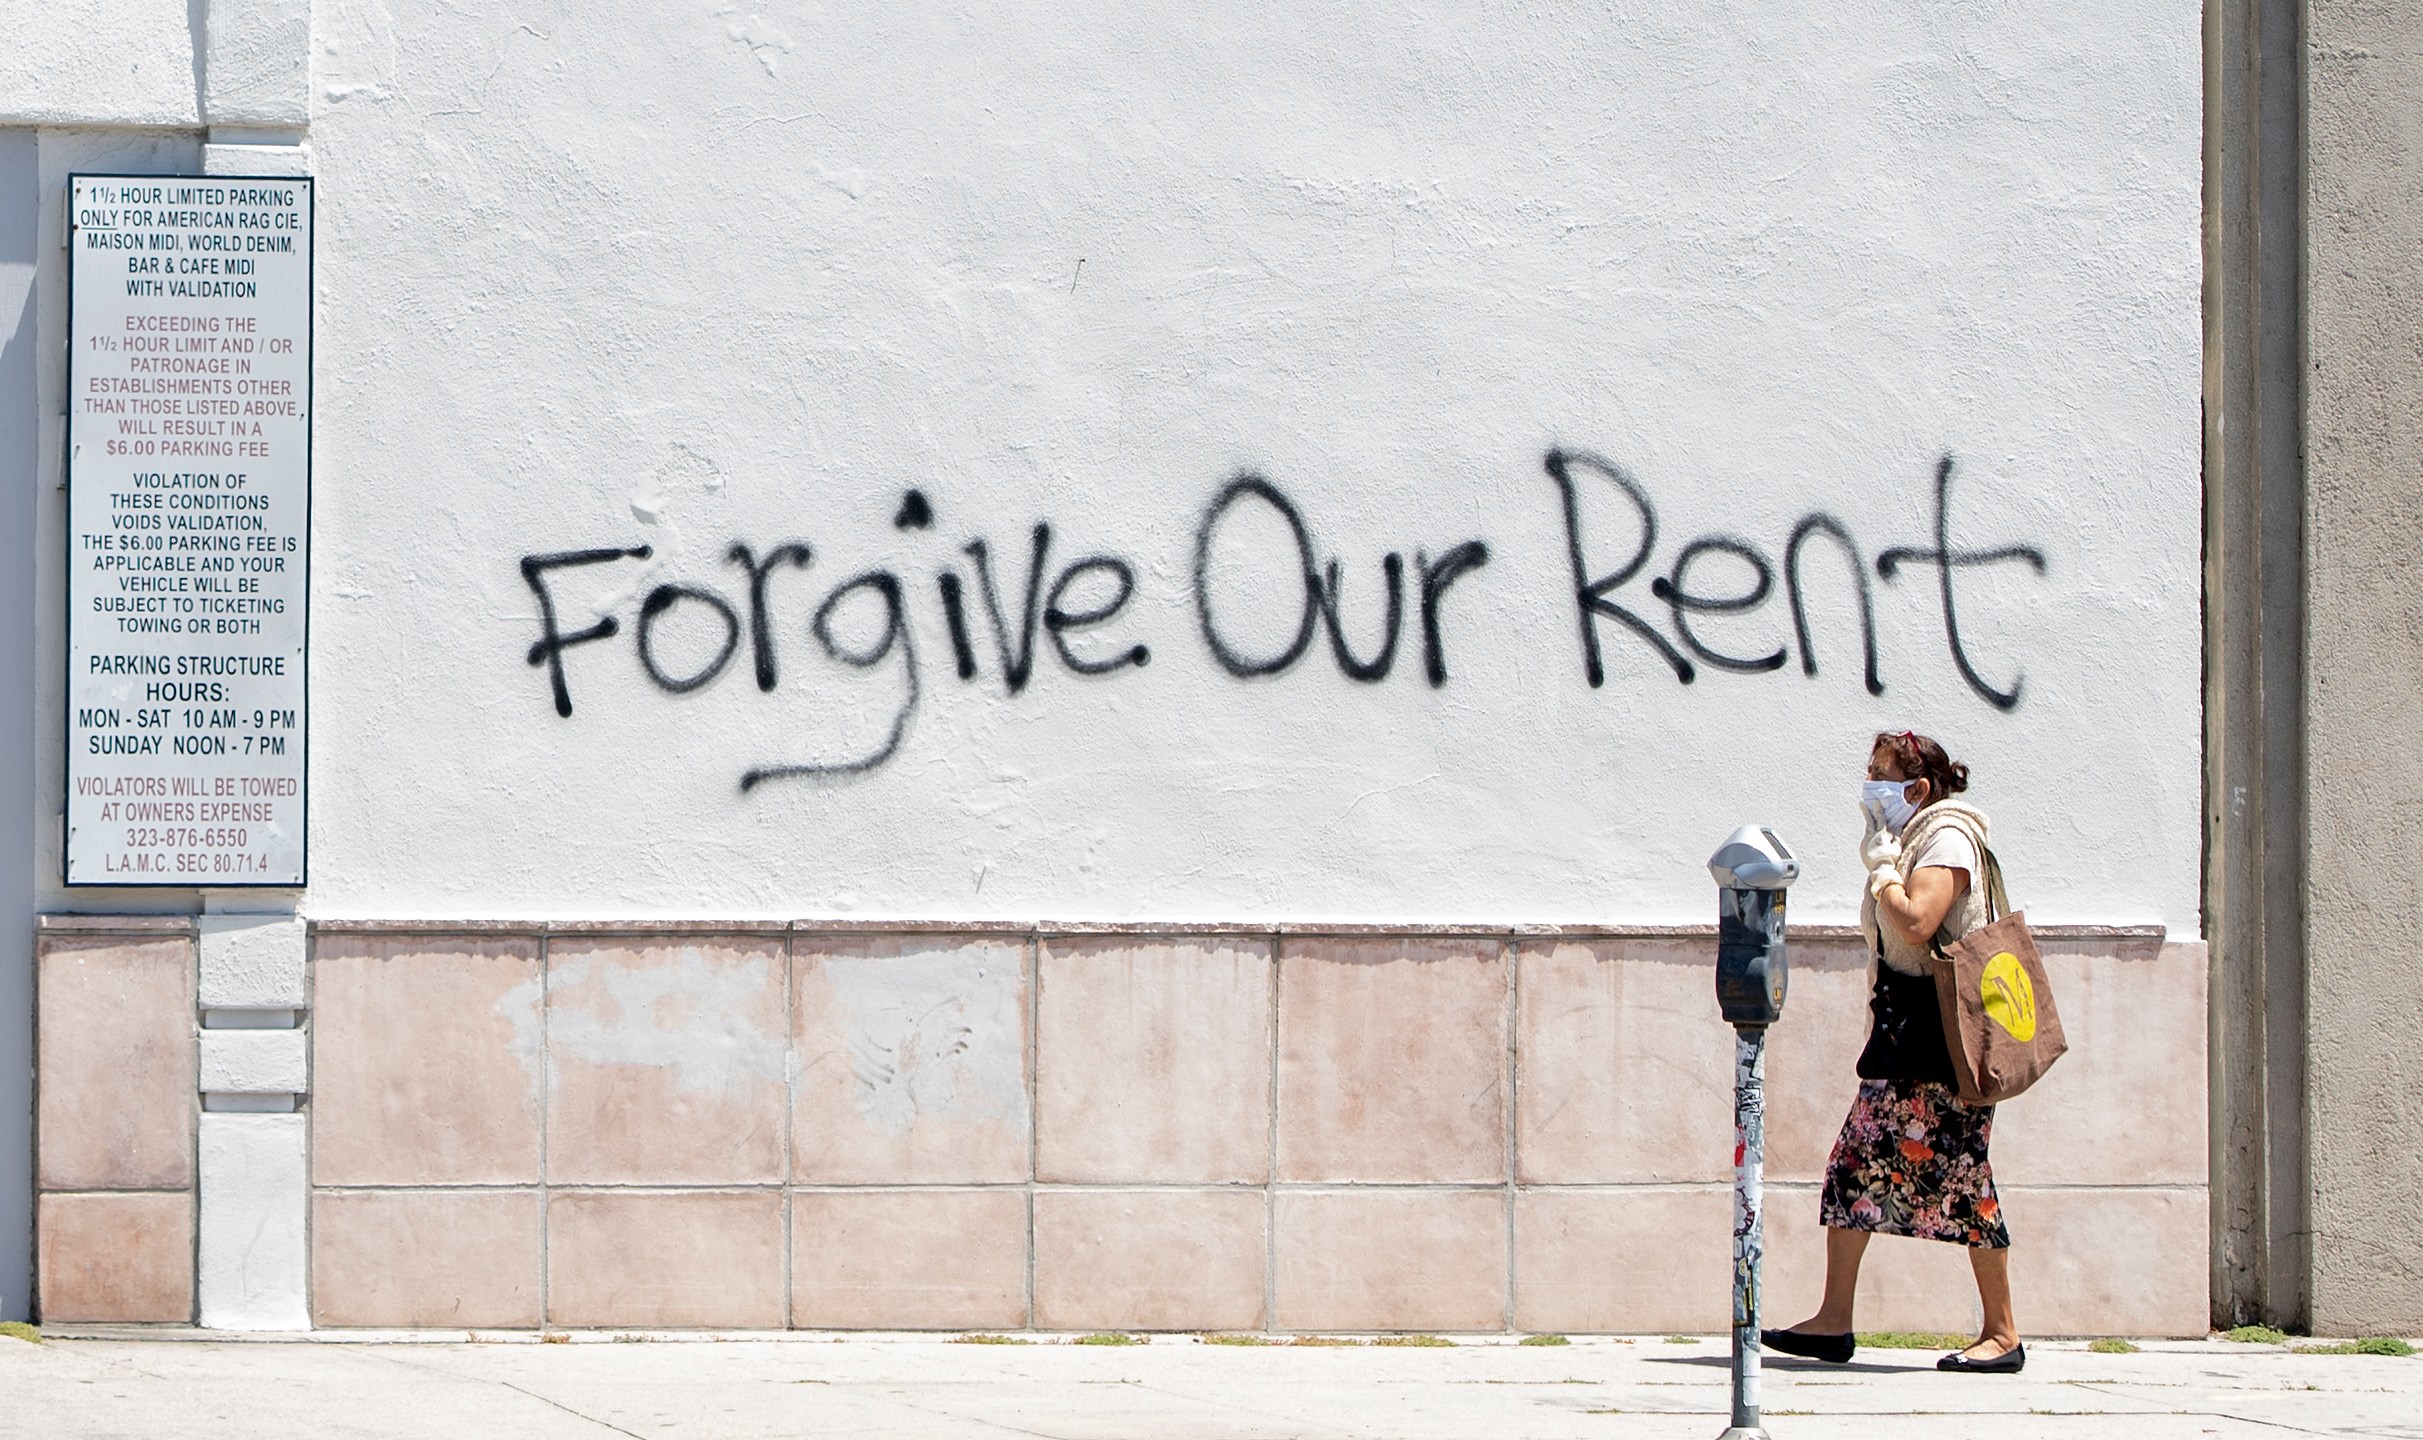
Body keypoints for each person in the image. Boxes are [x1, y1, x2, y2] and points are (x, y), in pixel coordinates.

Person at [1763, 729, 2024, 1374]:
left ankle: (2002, 1333)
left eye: (1883, 775)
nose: (1871, 786)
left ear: (1920, 788)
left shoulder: (1946, 838)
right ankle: (1834, 1320)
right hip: (1907, 1033)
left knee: (1964, 1179)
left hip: (1941, 1041)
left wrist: (1881, 868)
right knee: (1857, 1167)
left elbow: (1915, 922)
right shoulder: (1917, 835)